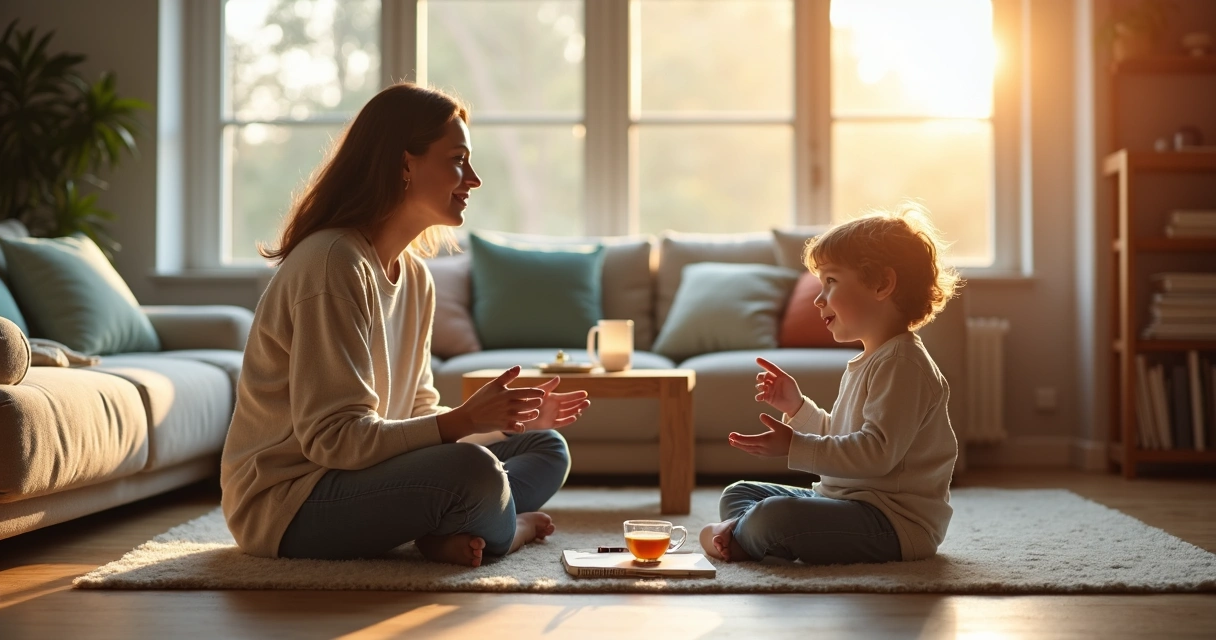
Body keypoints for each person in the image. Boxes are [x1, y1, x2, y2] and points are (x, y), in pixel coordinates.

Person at [220, 82, 590, 567]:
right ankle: (506, 530)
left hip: (362, 474)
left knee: (545, 445)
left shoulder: (415, 276)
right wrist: (465, 423)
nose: (473, 178)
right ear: (405, 164)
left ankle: (457, 522)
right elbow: (334, 439)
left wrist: (500, 425)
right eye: (458, 159)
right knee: (474, 472)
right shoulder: (333, 263)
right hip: (292, 501)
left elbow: (418, 411)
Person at [700, 205, 962, 565]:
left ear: (882, 284)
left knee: (776, 516)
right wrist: (797, 408)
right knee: (741, 492)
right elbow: (840, 440)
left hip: (892, 522)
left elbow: (874, 455)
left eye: (831, 282)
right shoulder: (872, 359)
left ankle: (738, 534)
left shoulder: (903, 364)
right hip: (844, 500)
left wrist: (795, 446)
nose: (818, 298)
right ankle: (742, 532)